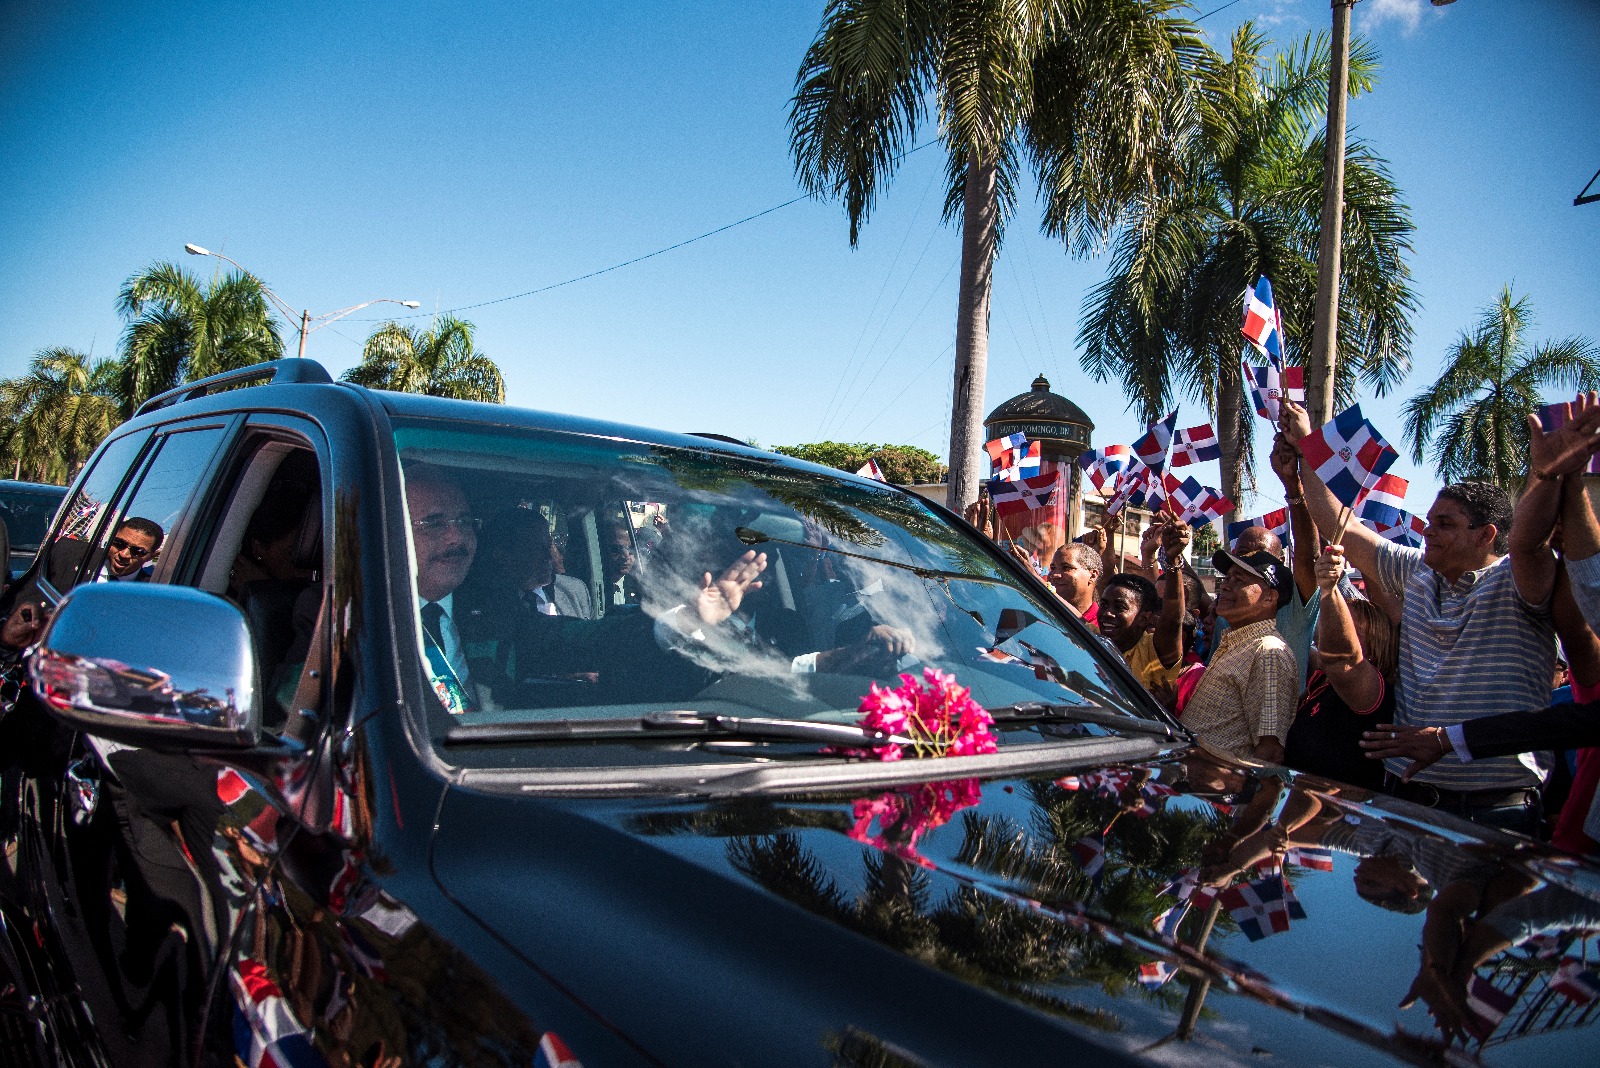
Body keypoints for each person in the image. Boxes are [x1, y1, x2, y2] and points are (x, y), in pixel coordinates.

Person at [1282, 398, 1558, 833]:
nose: (1427, 531)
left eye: (1444, 524)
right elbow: (1342, 526)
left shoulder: (1517, 581)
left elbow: (1531, 542)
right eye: (1428, 521)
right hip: (1404, 801)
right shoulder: (1417, 572)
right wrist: (1307, 446)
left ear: (1486, 535)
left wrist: (1548, 471)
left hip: (1493, 815)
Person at [1283, 544, 1397, 789]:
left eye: (1347, 630)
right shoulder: (1321, 682)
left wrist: (1329, 588)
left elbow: (1342, 658)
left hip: (1342, 819)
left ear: (1375, 643)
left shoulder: (1371, 689)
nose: (1330, 631)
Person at [1181, 548, 1298, 763]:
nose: (1224, 586)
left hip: (1219, 790)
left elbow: (1270, 753)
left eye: (1239, 580)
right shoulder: (1237, 643)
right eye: (1227, 578)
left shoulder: (1268, 653)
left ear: (1269, 598)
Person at [1095, 571, 1182, 693]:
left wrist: (1173, 565)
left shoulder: (1153, 652)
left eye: (1119, 607)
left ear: (1144, 618)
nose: (1107, 613)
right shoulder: (1090, 636)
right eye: (1103, 605)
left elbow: (1173, 620)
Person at [1045, 542, 1101, 623]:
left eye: (1066, 568)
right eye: (1053, 568)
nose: (1055, 575)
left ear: (1092, 576)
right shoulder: (1042, 614)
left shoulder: (1103, 625)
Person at [601, 521, 642, 608]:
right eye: (616, 549)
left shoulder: (639, 586)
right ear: (602, 548)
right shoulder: (593, 586)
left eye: (631, 549)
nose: (626, 555)